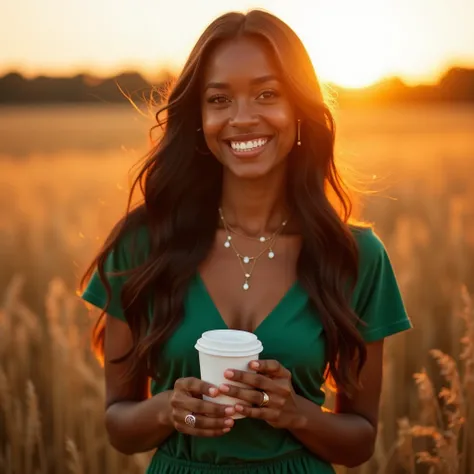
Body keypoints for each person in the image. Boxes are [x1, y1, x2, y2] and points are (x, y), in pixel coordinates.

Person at [79, 8, 412, 474]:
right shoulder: (141, 246)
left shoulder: (356, 256)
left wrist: (297, 413)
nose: (242, 118)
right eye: (219, 100)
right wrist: (172, 410)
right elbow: (119, 425)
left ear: (300, 108)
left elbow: (359, 442)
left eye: (267, 94)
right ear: (198, 117)